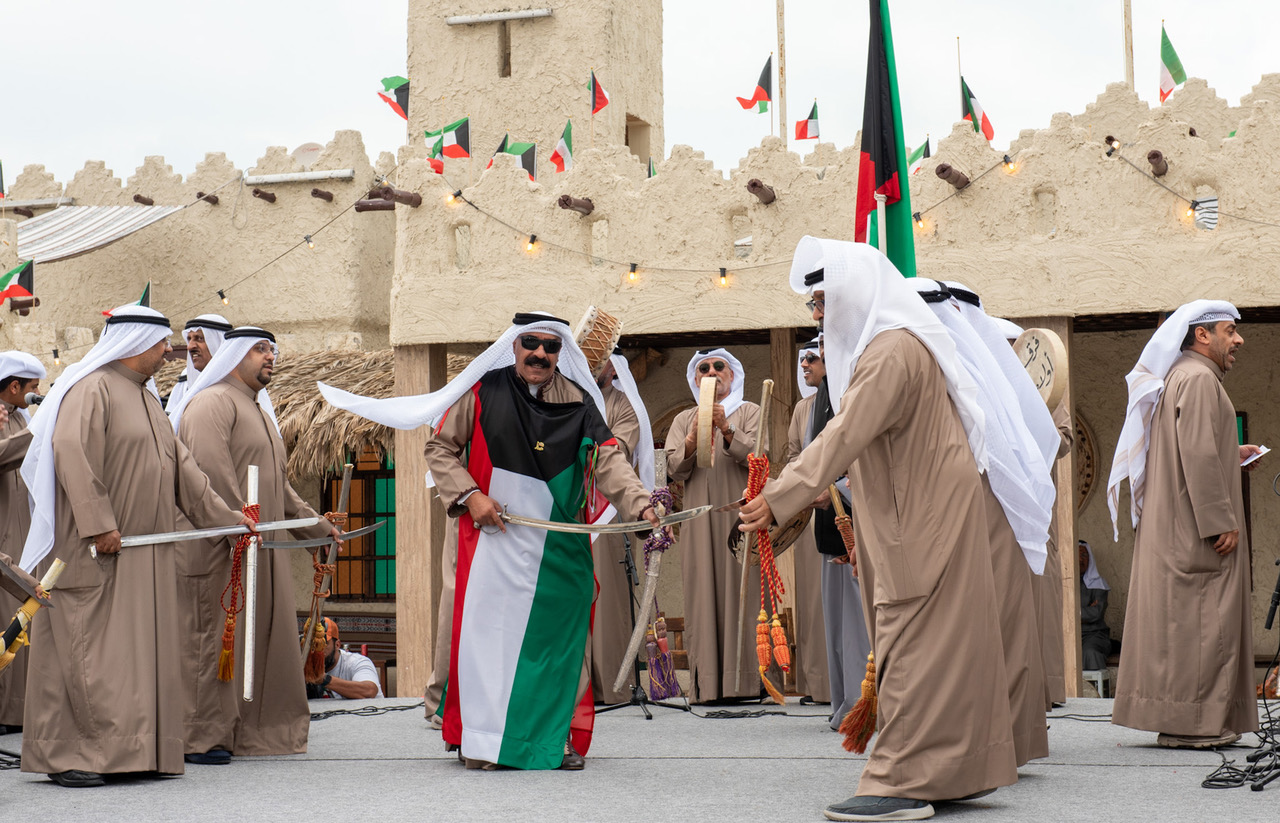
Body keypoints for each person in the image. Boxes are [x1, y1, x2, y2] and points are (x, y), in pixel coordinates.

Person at [740, 238, 1016, 822]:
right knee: (943, 645)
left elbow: (844, 434)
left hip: (919, 522)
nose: (817, 315)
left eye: (822, 302)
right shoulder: (898, 345)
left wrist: (780, 497)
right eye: (813, 304)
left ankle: (900, 782)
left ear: (854, 296)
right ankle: (955, 771)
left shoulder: (891, 351)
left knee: (911, 644)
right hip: (921, 513)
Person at [319, 312, 659, 771]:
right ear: (514, 346)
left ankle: (552, 737)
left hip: (556, 549)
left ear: (561, 353)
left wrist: (643, 506)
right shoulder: (482, 391)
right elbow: (440, 448)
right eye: (531, 343)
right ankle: (485, 740)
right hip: (490, 543)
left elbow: (610, 463)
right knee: (489, 644)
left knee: (557, 644)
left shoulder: (580, 402)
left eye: (550, 347)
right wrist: (471, 495)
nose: (540, 354)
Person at [17, 306, 252, 788]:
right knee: (89, 656)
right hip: (94, 554)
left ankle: (137, 751)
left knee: (135, 660)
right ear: (135, 342)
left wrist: (230, 522)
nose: (169, 352)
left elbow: (185, 474)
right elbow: (72, 455)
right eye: (163, 342)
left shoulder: (147, 400)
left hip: (145, 559)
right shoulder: (91, 390)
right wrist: (99, 524)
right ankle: (71, 755)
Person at [170, 326, 341, 762]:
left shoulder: (259, 412)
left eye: (272, 349)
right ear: (235, 355)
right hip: (222, 552)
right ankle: (204, 736)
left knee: (263, 640)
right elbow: (208, 479)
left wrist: (316, 528)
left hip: (260, 550)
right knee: (216, 641)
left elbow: (278, 490)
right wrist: (236, 526)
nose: (270, 356)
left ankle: (255, 733)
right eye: (259, 349)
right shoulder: (211, 404)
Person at [1107, 300, 1260, 749]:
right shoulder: (1197, 379)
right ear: (1202, 335)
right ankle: (1193, 727)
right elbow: (1196, 454)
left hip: (1178, 527)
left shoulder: (1184, 376)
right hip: (1193, 531)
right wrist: (1219, 520)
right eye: (1230, 331)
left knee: (1188, 628)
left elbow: (1192, 448)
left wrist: (1232, 454)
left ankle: (1192, 722)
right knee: (1204, 627)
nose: (1239, 340)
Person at [916, 280, 1052, 767]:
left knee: (994, 632)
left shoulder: (964, 374)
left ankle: (995, 747)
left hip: (983, 516)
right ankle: (1001, 744)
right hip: (980, 517)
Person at [664, 348, 762, 702]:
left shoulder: (750, 411)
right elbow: (674, 469)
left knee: (742, 594)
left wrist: (726, 428)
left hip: (740, 519)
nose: (711, 372)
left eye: (719, 366)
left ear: (732, 374)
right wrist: (692, 438)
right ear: (695, 379)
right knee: (701, 595)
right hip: (699, 522)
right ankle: (707, 685)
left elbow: (759, 458)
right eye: (703, 368)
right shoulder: (684, 419)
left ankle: (745, 683)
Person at [986, 314, 1073, 708]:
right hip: (994, 511)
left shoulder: (1042, 387)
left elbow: (1064, 440)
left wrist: (1030, 427)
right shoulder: (981, 385)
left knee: (1039, 596)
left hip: (1034, 509)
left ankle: (1043, 690)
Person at [786, 338, 849, 713]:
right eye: (804, 359)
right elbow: (797, 456)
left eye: (814, 358)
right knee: (824, 612)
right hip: (816, 515)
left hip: (849, 510)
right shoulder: (804, 408)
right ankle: (830, 691)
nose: (806, 364)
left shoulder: (844, 399)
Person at [589, 350, 655, 704]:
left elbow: (618, 449)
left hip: (608, 511)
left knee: (608, 597)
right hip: (568, 510)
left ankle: (611, 685)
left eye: (600, 361)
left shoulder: (623, 405)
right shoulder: (570, 398)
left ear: (613, 368)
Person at [0, 351, 46, 733]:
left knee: (21, 616)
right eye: (32, 388)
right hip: (3, 532)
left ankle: (17, 710)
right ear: (14, 386)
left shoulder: (17, 416)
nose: (35, 394)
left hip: (21, 531)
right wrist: (38, 432)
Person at [165, 314, 231, 412]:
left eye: (199, 338)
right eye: (189, 339)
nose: (190, 346)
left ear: (218, 342)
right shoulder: (185, 384)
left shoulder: (239, 386)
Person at [318, 619, 383, 699]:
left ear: (337, 645)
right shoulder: (305, 665)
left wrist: (324, 679)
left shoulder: (356, 662)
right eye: (313, 644)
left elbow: (369, 691)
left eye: (323, 644)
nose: (318, 650)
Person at [1077, 540, 1111, 671]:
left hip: (1094, 635)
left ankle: (1094, 686)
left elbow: (1096, 613)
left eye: (1084, 555)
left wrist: (1072, 614)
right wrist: (1086, 611)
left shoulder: (1098, 583)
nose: (1081, 559)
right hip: (1068, 635)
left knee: (1090, 652)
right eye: (1077, 555)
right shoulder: (1061, 583)